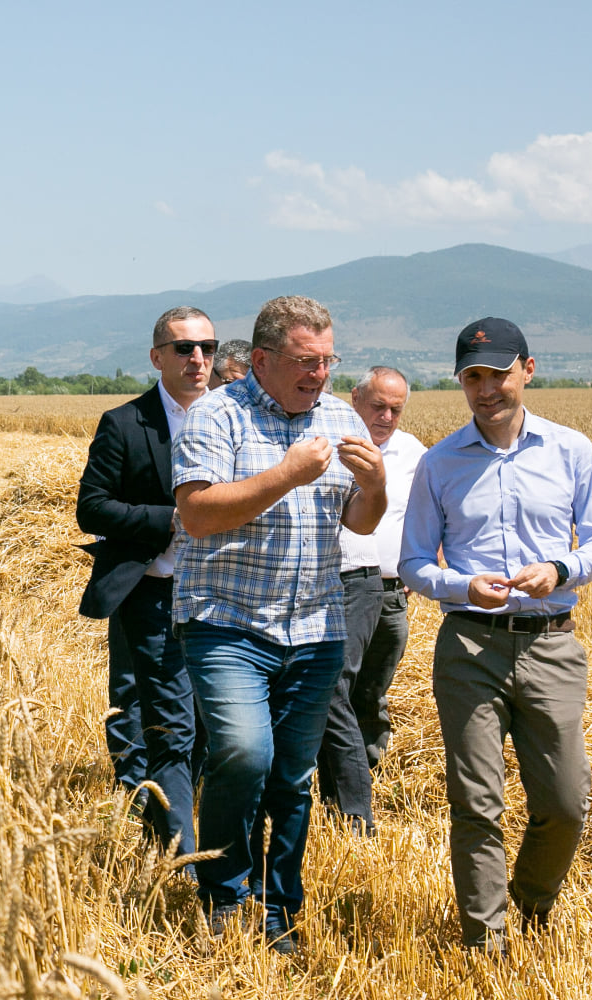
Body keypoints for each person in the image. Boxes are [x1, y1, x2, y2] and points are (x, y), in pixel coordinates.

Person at [398, 318, 592, 955]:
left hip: (552, 644)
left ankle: (530, 902)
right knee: (476, 801)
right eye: (473, 377)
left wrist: (560, 570)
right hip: (469, 646)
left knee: (567, 802)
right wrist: (462, 586)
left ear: (527, 369)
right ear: (461, 383)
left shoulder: (571, 450)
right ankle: (485, 943)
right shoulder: (439, 463)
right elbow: (414, 562)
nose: (486, 388)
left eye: (498, 373)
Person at [173, 296, 386, 953]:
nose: (319, 374)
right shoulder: (217, 415)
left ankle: (278, 911)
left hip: (315, 625)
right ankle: (224, 893)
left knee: (293, 779)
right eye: (304, 361)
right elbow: (198, 514)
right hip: (227, 622)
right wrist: (286, 475)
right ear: (262, 361)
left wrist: (376, 487)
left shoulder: (340, 418)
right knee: (244, 754)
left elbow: (359, 522)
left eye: (327, 361)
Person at [75, 306, 216, 861]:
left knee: (212, 729)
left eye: (207, 347)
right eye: (184, 348)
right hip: (157, 594)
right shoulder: (125, 423)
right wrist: (172, 520)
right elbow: (92, 508)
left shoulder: (235, 420)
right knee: (172, 728)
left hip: (225, 596)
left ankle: (166, 824)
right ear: (158, 357)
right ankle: (180, 859)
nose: (198, 358)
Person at [315, 367, 426, 836]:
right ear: (355, 398)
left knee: (369, 693)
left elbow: (429, 515)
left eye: (395, 409)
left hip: (391, 592)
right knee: (335, 687)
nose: (386, 417)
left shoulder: (414, 453)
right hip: (338, 583)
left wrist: (420, 563)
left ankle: (362, 777)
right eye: (378, 406)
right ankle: (347, 801)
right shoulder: (330, 442)